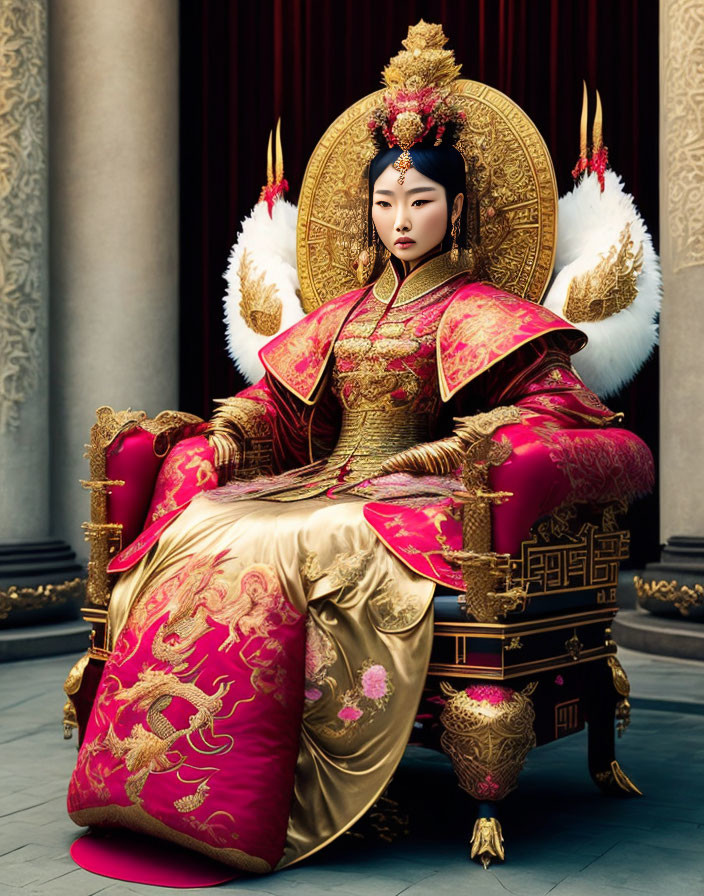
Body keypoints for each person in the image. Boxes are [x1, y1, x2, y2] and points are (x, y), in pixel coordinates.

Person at [67, 22, 652, 874]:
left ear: (458, 209)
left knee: (286, 539)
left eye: (419, 202)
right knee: (206, 522)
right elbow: (278, 399)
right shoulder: (342, 313)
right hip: (325, 478)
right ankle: (179, 775)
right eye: (384, 203)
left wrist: (448, 454)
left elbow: (566, 415)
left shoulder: (486, 314)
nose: (400, 220)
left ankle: (251, 790)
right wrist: (231, 430)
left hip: (426, 499)